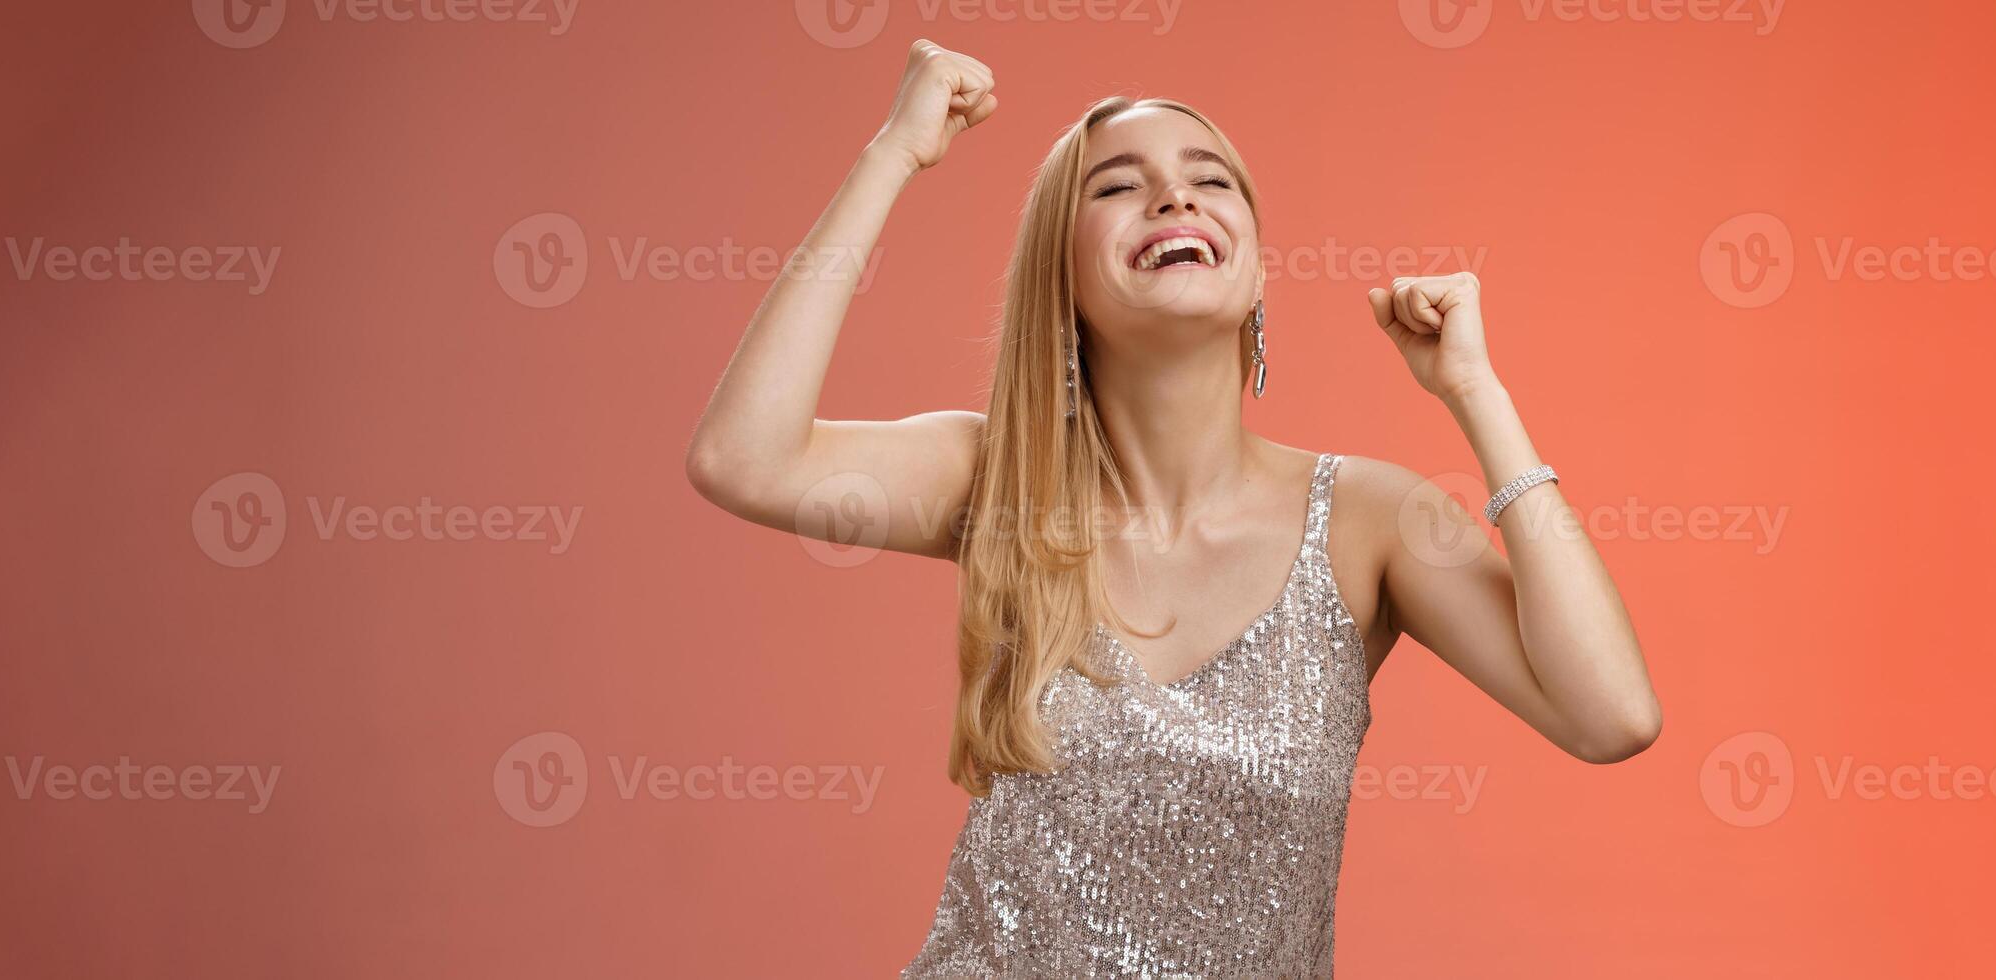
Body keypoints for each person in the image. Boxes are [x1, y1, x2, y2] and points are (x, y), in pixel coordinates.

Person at [684, 38, 1661, 978]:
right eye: (1115, 184)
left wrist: (1475, 394)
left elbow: (1609, 714)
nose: (1172, 192)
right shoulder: (992, 477)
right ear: (1058, 275)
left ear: (1254, 273)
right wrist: (892, 152)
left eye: (1211, 176)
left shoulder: (1366, 520)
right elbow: (744, 457)